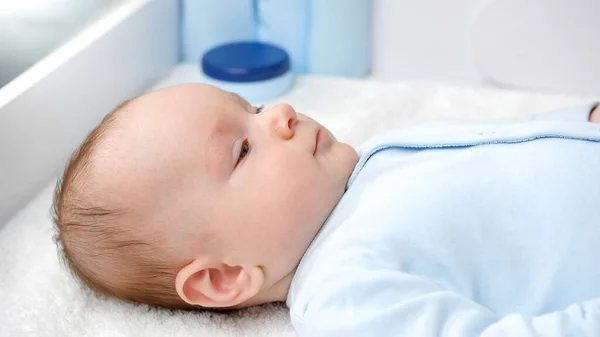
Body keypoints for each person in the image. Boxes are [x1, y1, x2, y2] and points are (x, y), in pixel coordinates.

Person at [53, 83, 600, 336]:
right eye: (243, 149)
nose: (283, 114)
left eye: (256, 107)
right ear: (222, 278)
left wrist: (585, 116)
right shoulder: (344, 295)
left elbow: (505, 145)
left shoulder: (377, 160)